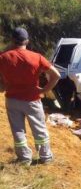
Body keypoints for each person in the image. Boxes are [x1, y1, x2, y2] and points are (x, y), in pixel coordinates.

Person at [0, 27, 61, 165]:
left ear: (12, 40)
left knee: (17, 130)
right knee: (39, 128)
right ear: (27, 40)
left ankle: (24, 158)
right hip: (32, 99)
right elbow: (56, 75)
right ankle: (45, 157)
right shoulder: (36, 57)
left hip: (12, 99)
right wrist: (44, 90)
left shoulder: (3, 57)